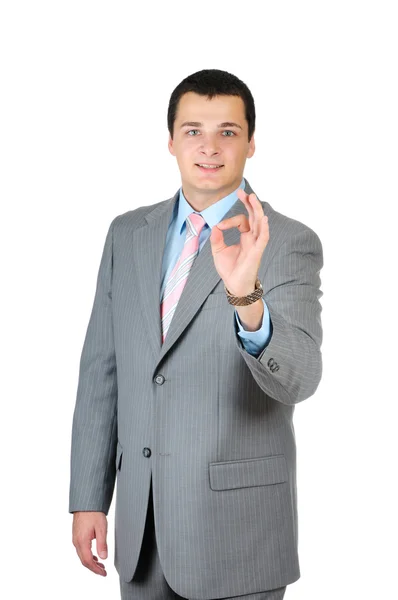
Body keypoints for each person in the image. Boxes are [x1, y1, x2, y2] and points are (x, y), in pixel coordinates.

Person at [69, 68, 324, 600]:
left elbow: (300, 377)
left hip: (237, 534)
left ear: (251, 143)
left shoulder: (288, 242)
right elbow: (102, 368)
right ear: (170, 141)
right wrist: (89, 497)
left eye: (228, 132)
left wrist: (246, 297)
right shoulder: (126, 234)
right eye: (193, 131)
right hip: (143, 530)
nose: (209, 147)